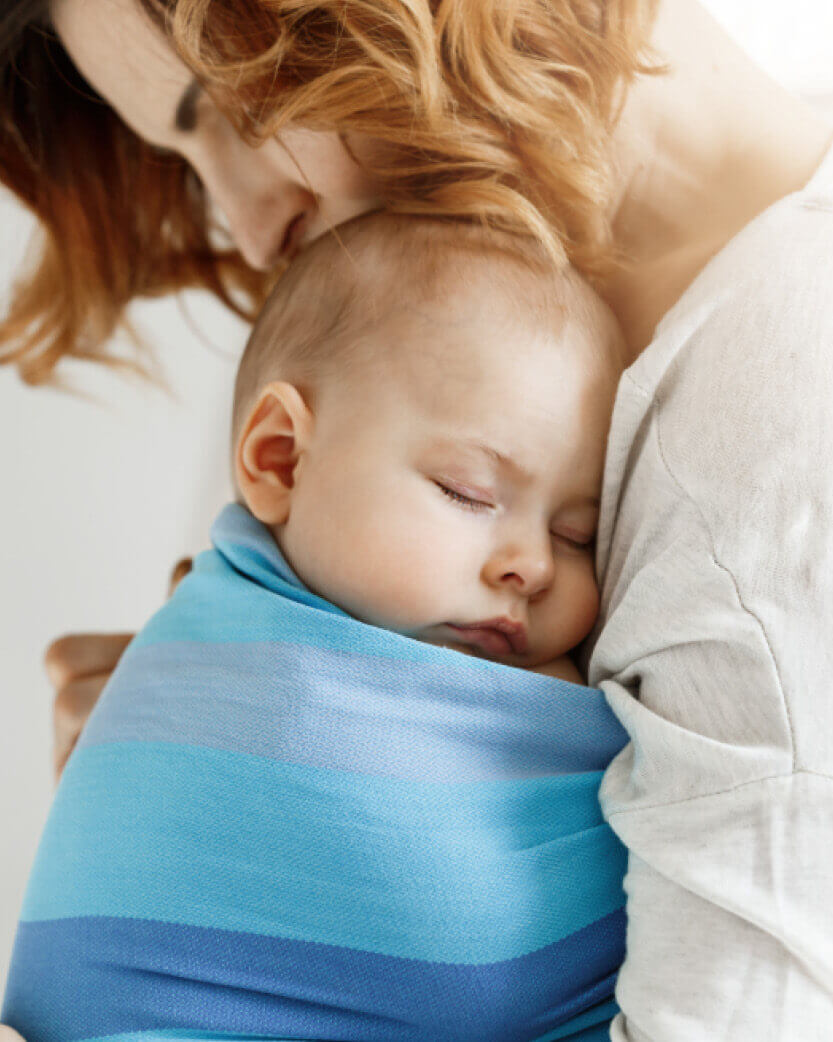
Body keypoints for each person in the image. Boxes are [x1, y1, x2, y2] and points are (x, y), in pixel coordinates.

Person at [2, 0, 832, 1037]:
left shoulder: (775, 413)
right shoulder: (386, 363)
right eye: (186, 162)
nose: (251, 228)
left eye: (232, 108)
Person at [4, 215, 630, 1042]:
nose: (533, 565)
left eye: (577, 534)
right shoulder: (211, 639)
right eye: (467, 492)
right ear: (279, 460)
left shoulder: (546, 685)